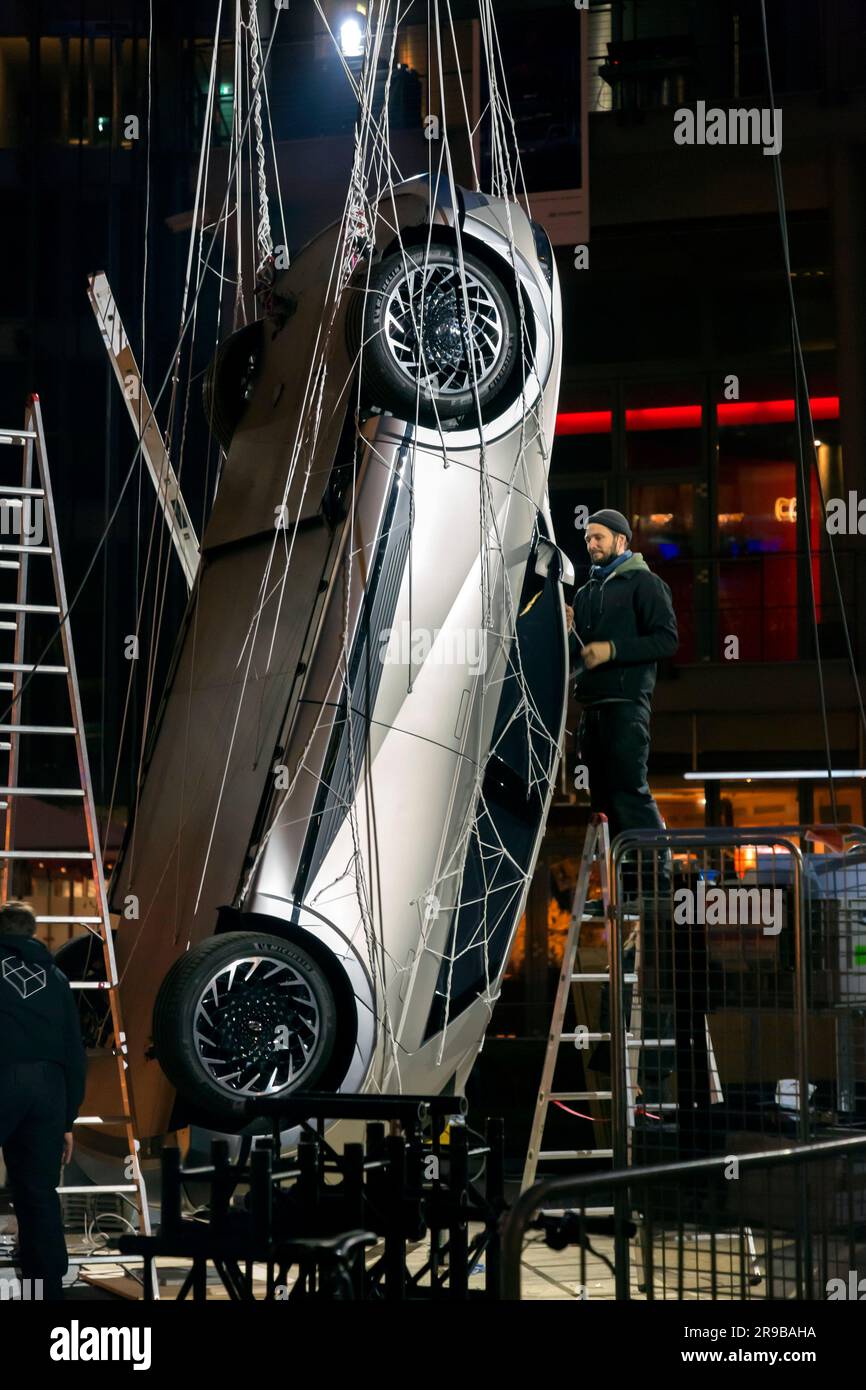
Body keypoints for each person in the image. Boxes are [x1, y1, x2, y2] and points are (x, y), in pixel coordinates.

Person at [566, 508, 678, 901]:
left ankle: (657, 883)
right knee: (604, 802)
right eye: (587, 540)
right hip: (593, 709)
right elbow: (577, 655)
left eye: (599, 537)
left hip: (626, 706)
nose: (592, 544)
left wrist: (612, 649)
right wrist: (566, 629)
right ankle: (627, 889)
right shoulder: (585, 593)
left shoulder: (644, 584)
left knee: (629, 792)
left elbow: (666, 640)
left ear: (621, 540)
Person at [0, 901, 86, 1299]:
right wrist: (67, 1120)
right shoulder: (56, 977)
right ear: (33, 932)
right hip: (49, 1089)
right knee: (38, 1195)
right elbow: (74, 1052)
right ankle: (45, 1292)